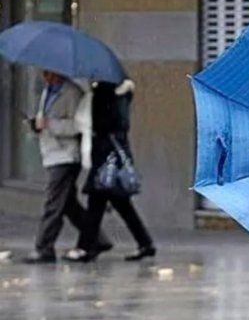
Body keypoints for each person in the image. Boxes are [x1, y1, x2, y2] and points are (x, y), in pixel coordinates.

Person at [24, 71, 112, 263]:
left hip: (66, 155)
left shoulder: (72, 93)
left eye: (49, 73)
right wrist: (37, 124)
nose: (46, 78)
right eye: (44, 74)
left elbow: (78, 125)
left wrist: (50, 124)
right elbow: (45, 117)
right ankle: (97, 238)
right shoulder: (48, 91)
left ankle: (44, 247)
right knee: (68, 203)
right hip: (51, 152)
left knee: (53, 202)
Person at [64, 79, 156, 262]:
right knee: (121, 205)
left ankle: (85, 248)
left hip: (106, 157)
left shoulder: (104, 95)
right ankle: (145, 243)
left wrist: (92, 103)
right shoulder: (122, 95)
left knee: (96, 203)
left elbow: (102, 124)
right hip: (115, 154)